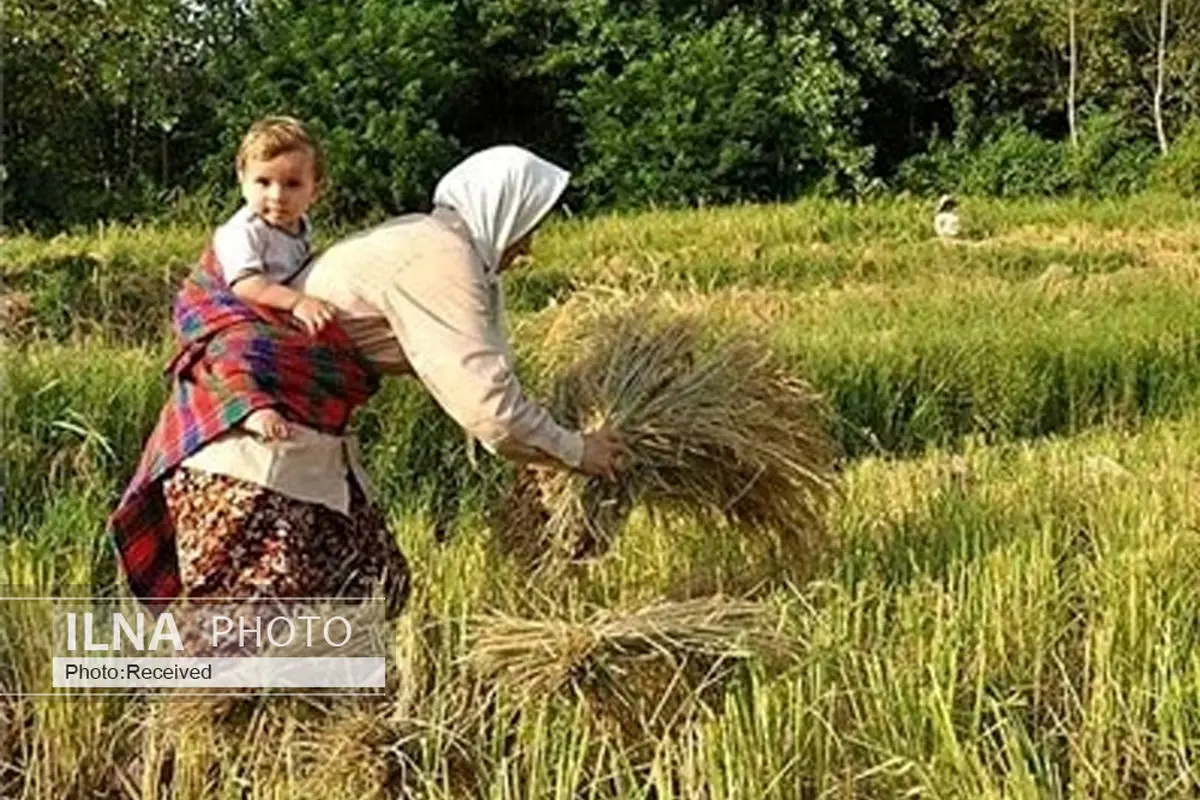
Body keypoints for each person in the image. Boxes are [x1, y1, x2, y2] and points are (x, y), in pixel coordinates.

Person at [110, 144, 623, 615]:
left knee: (373, 590)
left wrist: (542, 449)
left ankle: (303, 710)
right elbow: (488, 406)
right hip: (256, 456)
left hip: (296, 448)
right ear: (504, 212)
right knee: (271, 632)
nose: (528, 248)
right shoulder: (439, 257)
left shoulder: (428, 241)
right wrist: (577, 452)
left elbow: (479, 373)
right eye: (529, 227)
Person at [211, 116, 338, 442]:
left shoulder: (300, 225)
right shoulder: (243, 232)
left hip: (276, 309)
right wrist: (297, 302)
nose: (278, 196)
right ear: (242, 180)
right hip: (241, 310)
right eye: (263, 182)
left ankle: (299, 405)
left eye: (293, 184)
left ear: (316, 189)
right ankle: (250, 408)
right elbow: (245, 285)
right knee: (237, 350)